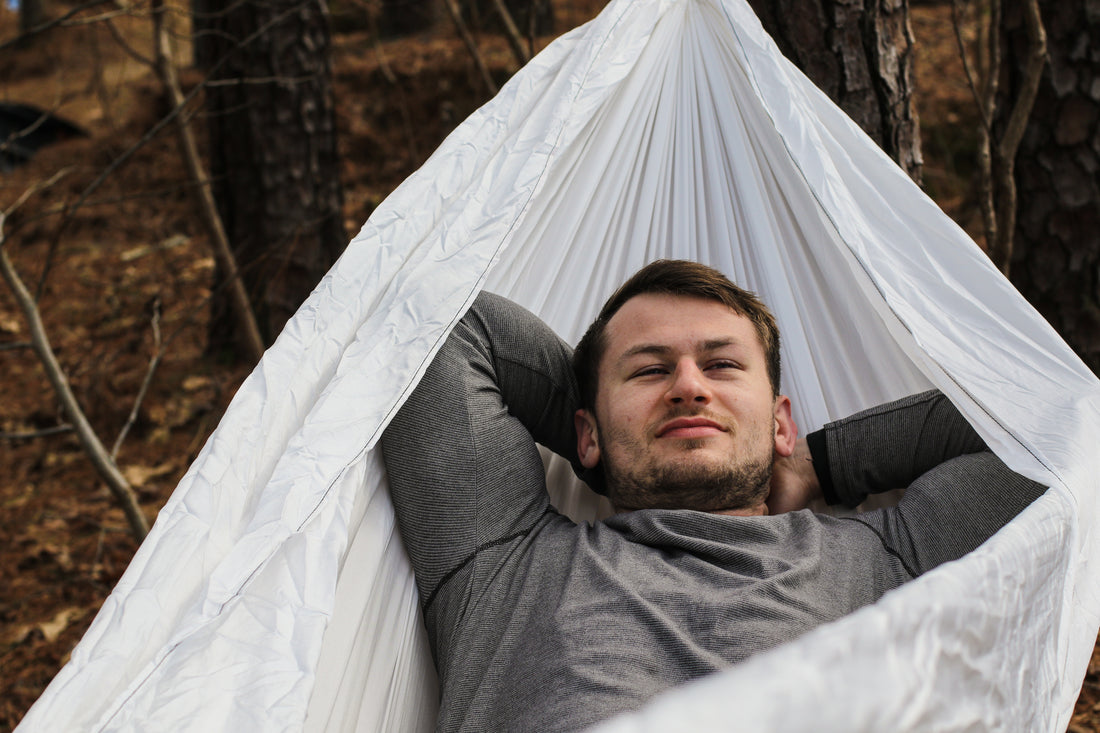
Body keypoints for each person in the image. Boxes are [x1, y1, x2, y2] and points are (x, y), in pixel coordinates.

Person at [380, 259, 1044, 733]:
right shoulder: (505, 564)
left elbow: (1055, 427)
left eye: (722, 365)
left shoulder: (894, 558)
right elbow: (435, 317)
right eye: (649, 369)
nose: (689, 387)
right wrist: (612, 443)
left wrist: (821, 462)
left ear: (782, 421)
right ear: (582, 434)